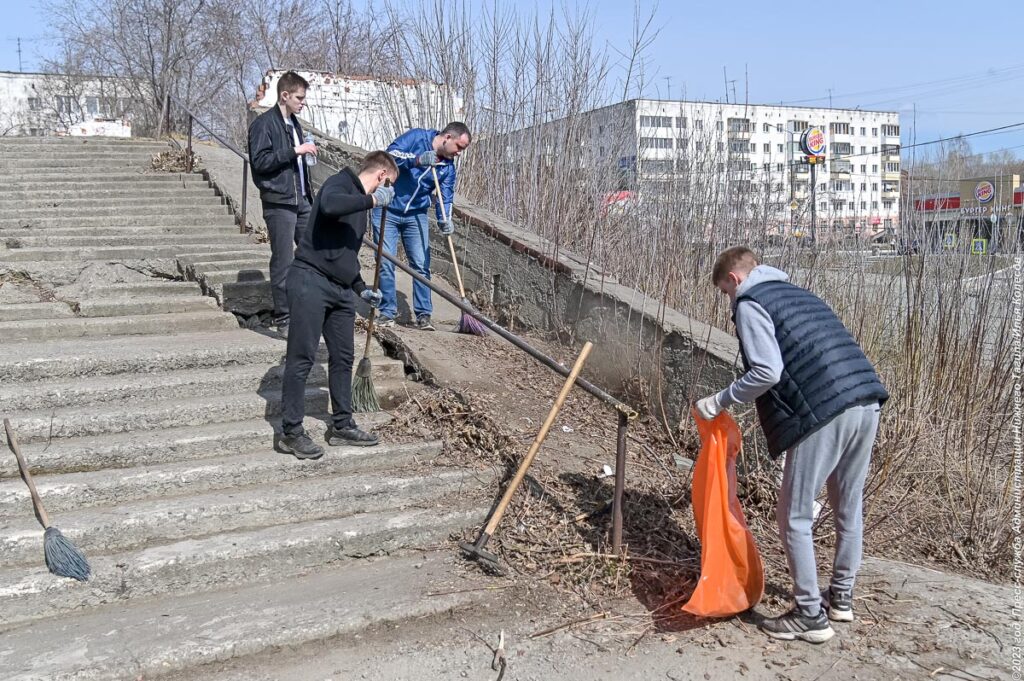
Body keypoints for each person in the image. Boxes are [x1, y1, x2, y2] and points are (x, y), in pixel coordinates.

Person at [696, 246, 888, 644]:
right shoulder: (798, 294)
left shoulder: (751, 302)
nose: (728, 302)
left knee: (794, 516)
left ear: (734, 280)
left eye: (725, 294)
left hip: (823, 411)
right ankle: (841, 599)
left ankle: (808, 615)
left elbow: (767, 371)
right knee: (847, 508)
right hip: (866, 401)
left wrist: (721, 399)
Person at [275, 151, 399, 459]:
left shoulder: (359, 204)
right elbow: (330, 207)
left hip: (342, 290)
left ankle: (342, 425)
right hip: (310, 280)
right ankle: (291, 432)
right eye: (389, 185)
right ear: (382, 176)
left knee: (344, 357)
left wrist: (360, 288)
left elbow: (344, 254)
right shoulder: (339, 183)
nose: (387, 193)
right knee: (301, 357)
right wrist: (372, 201)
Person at [372, 122, 472, 330]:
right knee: (385, 260)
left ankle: (423, 315)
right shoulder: (417, 137)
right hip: (387, 208)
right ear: (447, 138)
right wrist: (418, 160)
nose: (460, 153)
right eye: (459, 147)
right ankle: (387, 312)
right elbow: (389, 157)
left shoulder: (447, 167)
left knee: (420, 264)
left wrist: (446, 219)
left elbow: (445, 197)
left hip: (416, 214)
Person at [247, 71, 318, 338]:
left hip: (302, 199)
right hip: (279, 201)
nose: (303, 102)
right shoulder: (264, 124)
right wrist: (294, 151)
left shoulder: (295, 124)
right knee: (283, 260)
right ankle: (285, 318)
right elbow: (260, 162)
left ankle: (308, 309)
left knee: (314, 254)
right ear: (285, 95)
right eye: (299, 97)